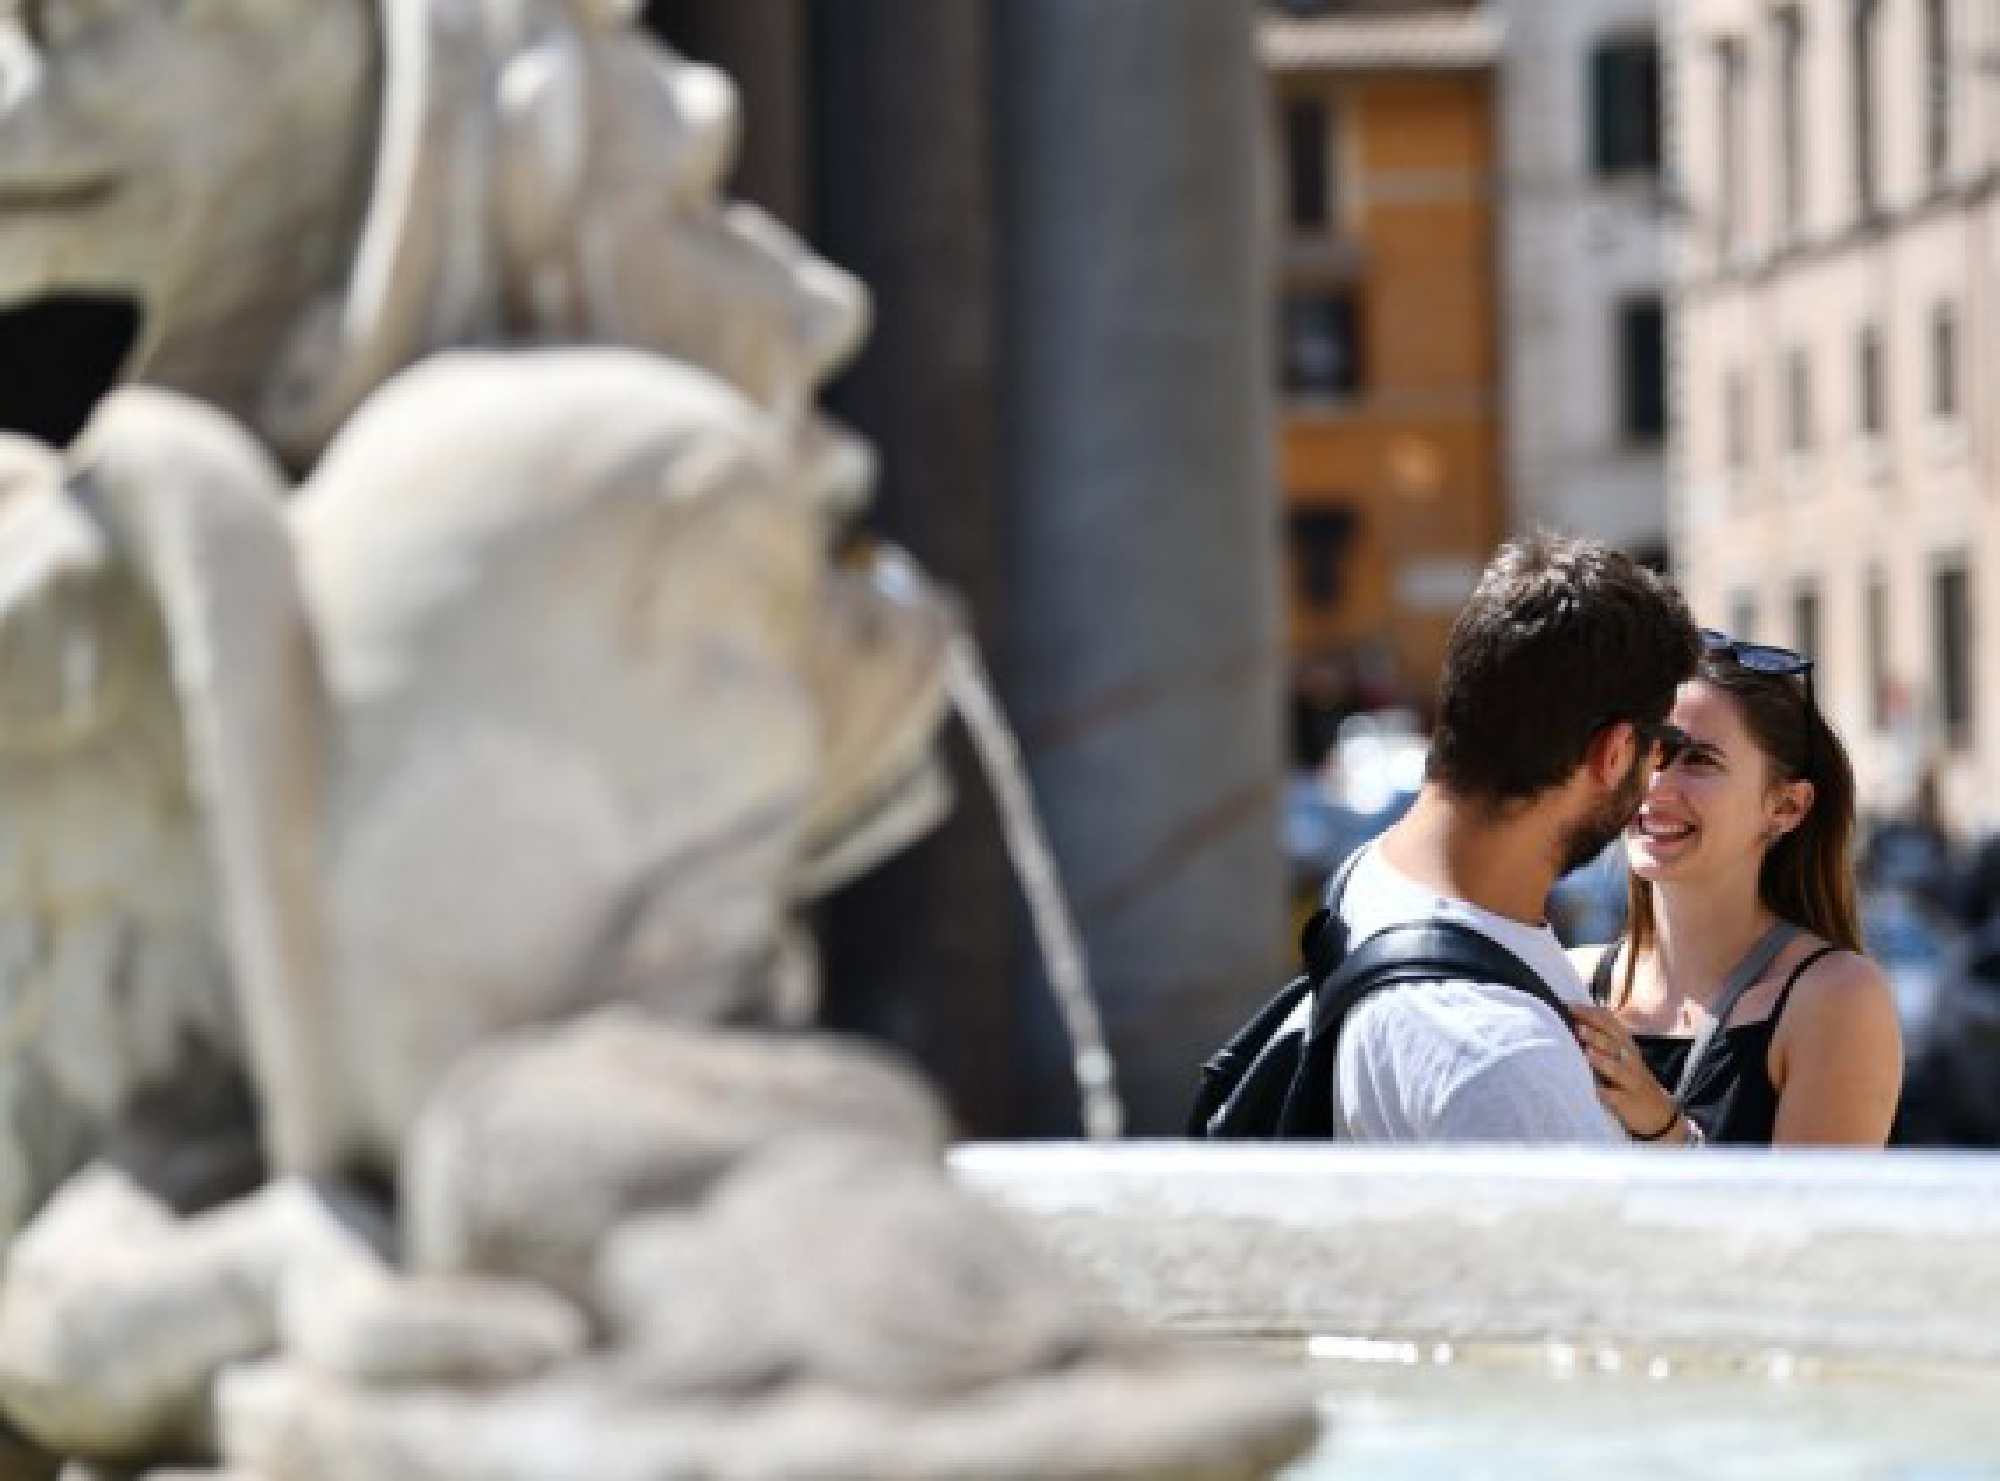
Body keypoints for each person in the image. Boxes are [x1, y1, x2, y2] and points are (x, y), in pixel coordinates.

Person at [1324, 531, 1701, 1141]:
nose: (1661, 781)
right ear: (1616, 751)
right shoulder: (1506, 1064)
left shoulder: (1369, 878)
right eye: (1664, 751)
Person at [1569, 630, 1903, 1146]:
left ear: (1786, 807)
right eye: (1647, 753)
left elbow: (1813, 1224)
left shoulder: (1835, 999)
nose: (1656, 787)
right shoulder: (1568, 982)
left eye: (1698, 761)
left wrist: (1667, 1133)